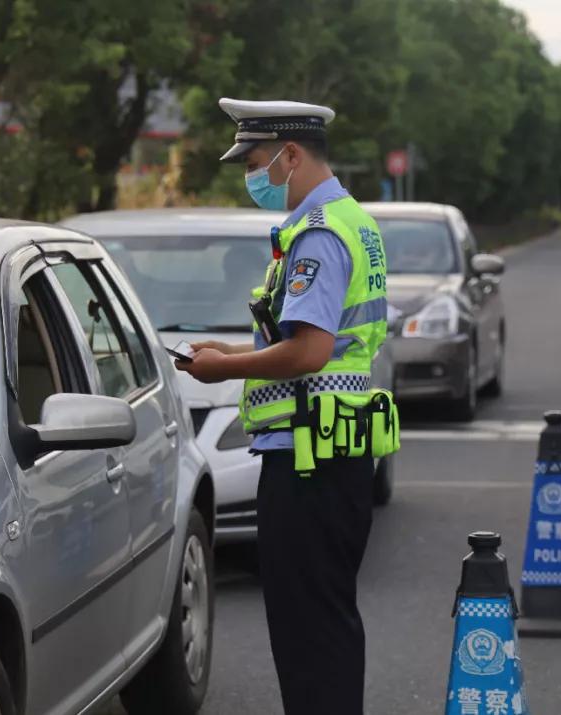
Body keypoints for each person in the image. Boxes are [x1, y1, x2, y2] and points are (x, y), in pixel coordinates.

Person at [175, 98, 391, 714]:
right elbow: (312, 338)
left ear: (291, 155)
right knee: (327, 623)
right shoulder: (353, 220)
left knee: (307, 633)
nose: (252, 175)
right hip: (331, 451)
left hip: (308, 460)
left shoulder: (318, 235)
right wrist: (238, 348)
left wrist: (223, 368)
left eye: (257, 160)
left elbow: (310, 352)